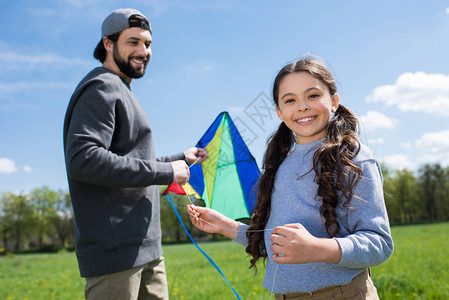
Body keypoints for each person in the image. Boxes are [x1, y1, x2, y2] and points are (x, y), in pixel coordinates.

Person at [188, 58, 393, 299]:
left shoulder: (353, 158)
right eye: (290, 100)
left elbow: (379, 243)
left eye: (313, 95)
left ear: (334, 102)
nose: (302, 106)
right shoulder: (279, 164)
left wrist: (316, 248)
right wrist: (226, 226)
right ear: (279, 111)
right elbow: (278, 243)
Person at [63, 8, 207, 300]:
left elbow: (133, 161)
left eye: (148, 44)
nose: (143, 51)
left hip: (147, 248)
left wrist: (180, 158)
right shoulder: (101, 87)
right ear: (108, 44)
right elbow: (84, 159)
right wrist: (168, 172)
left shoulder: (122, 90)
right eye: (133, 42)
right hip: (116, 255)